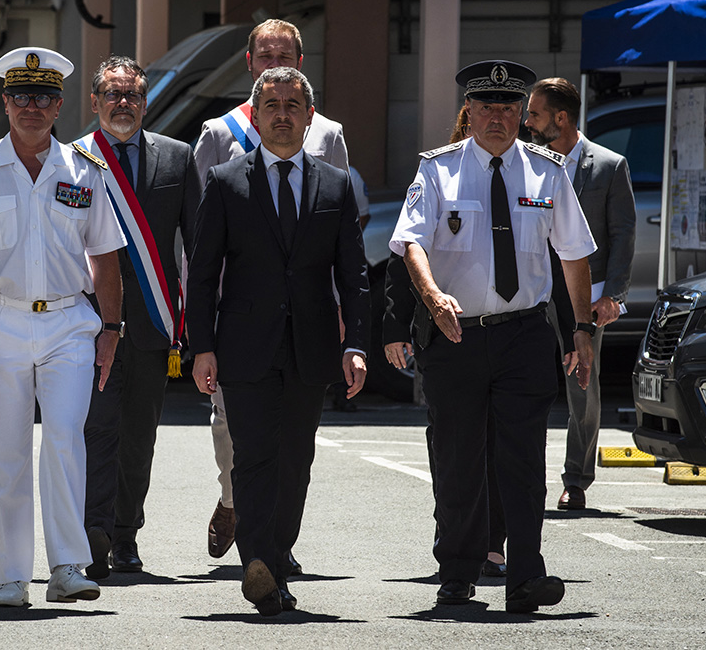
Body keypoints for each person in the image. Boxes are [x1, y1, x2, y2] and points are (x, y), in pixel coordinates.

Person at [390, 60, 597, 613]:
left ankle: (526, 575)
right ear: (470, 113)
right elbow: (411, 243)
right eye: (487, 108)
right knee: (459, 461)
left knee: (524, 461)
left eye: (509, 108)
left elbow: (574, 256)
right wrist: (433, 298)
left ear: (521, 115)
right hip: (456, 337)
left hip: (525, 335)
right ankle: (457, 572)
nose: (498, 118)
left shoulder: (548, 173)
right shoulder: (438, 171)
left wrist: (581, 330)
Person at [0, 47, 126, 607]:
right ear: (6, 103)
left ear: (60, 105)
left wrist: (111, 328)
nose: (31, 107)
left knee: (64, 439)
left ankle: (67, 566)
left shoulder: (86, 172)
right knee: (3, 449)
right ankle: (11, 575)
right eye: (20, 97)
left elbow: (106, 255)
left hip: (68, 322)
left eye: (42, 97)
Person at [187, 67, 369, 616]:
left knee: (296, 459)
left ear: (310, 116)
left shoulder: (335, 185)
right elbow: (201, 273)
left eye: (293, 105)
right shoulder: (224, 181)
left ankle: (278, 556)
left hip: (311, 347)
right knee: (253, 457)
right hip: (243, 345)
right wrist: (202, 347)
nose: (283, 114)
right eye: (272, 105)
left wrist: (355, 342)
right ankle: (258, 562)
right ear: (256, 114)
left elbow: (354, 274)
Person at [73, 56, 201, 579]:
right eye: (113, 95)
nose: (123, 104)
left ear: (145, 103)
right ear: (95, 101)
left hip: (153, 321)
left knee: (139, 434)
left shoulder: (177, 157)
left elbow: (196, 244)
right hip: (86, 323)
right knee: (95, 429)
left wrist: (197, 323)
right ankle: (92, 532)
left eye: (132, 96)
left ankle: (126, 535)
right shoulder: (74, 159)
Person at [526, 77, 636, 511]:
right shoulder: (527, 162)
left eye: (534, 115)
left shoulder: (609, 166)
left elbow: (623, 235)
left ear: (562, 118)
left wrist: (613, 294)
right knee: (527, 384)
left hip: (583, 300)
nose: (527, 123)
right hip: (532, 293)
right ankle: (524, 473)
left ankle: (576, 479)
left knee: (581, 388)